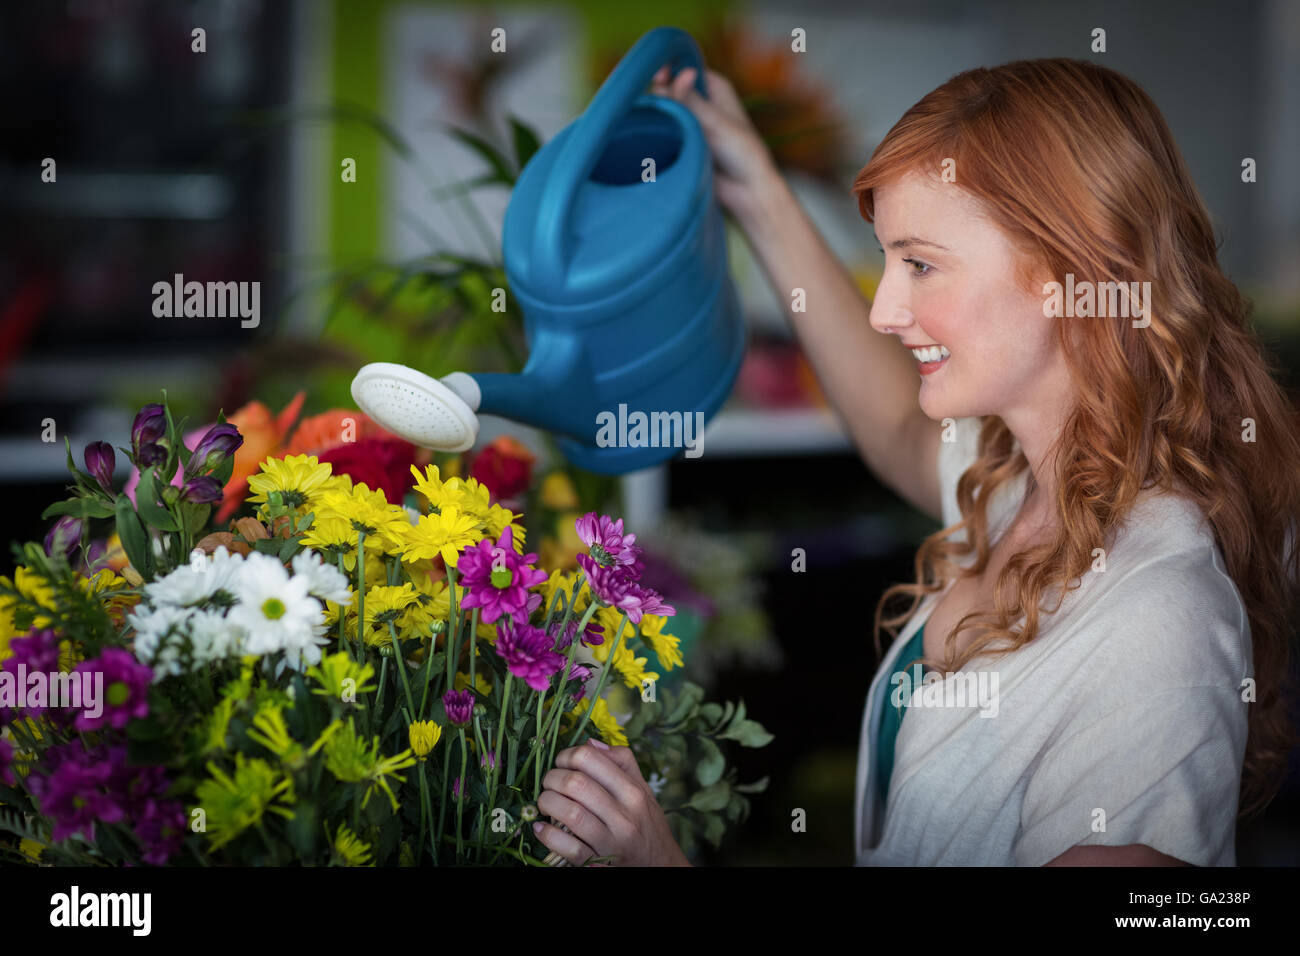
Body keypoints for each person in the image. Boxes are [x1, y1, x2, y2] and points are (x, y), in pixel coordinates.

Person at [532, 57, 1300, 867]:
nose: (885, 310)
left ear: (1074, 270)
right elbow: (895, 423)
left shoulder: (1157, 627)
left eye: (921, 264)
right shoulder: (1015, 474)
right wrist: (751, 178)